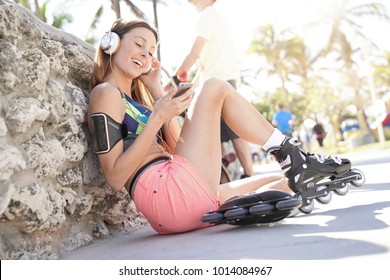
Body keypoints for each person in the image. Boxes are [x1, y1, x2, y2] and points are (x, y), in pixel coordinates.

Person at [88, 18, 349, 235]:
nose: (146, 54)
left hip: (176, 199)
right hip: (167, 193)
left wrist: (156, 90)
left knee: (285, 182)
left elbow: (179, 149)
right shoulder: (106, 94)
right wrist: (157, 117)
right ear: (112, 43)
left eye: (152, 50)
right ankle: (289, 153)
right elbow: (114, 177)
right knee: (213, 86)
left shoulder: (139, 101)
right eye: (139, 45)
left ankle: (250, 197)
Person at [176, 0, 254, 179]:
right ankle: (222, 180)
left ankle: (249, 175)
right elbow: (202, 68)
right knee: (215, 134)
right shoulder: (210, 17)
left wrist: (173, 81)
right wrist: (189, 89)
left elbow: (193, 53)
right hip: (215, 81)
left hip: (219, 82)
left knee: (233, 131)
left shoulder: (207, 15)